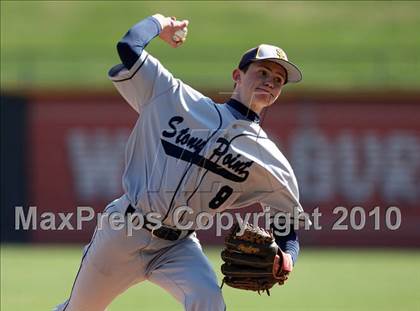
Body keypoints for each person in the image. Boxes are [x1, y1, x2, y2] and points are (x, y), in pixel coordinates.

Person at [54, 13, 308, 311]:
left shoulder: (269, 159)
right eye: (263, 72)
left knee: (209, 301)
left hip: (177, 246)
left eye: (278, 80)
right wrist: (160, 23)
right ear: (237, 75)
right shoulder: (176, 98)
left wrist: (288, 256)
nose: (270, 82)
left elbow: (287, 221)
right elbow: (128, 47)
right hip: (122, 232)